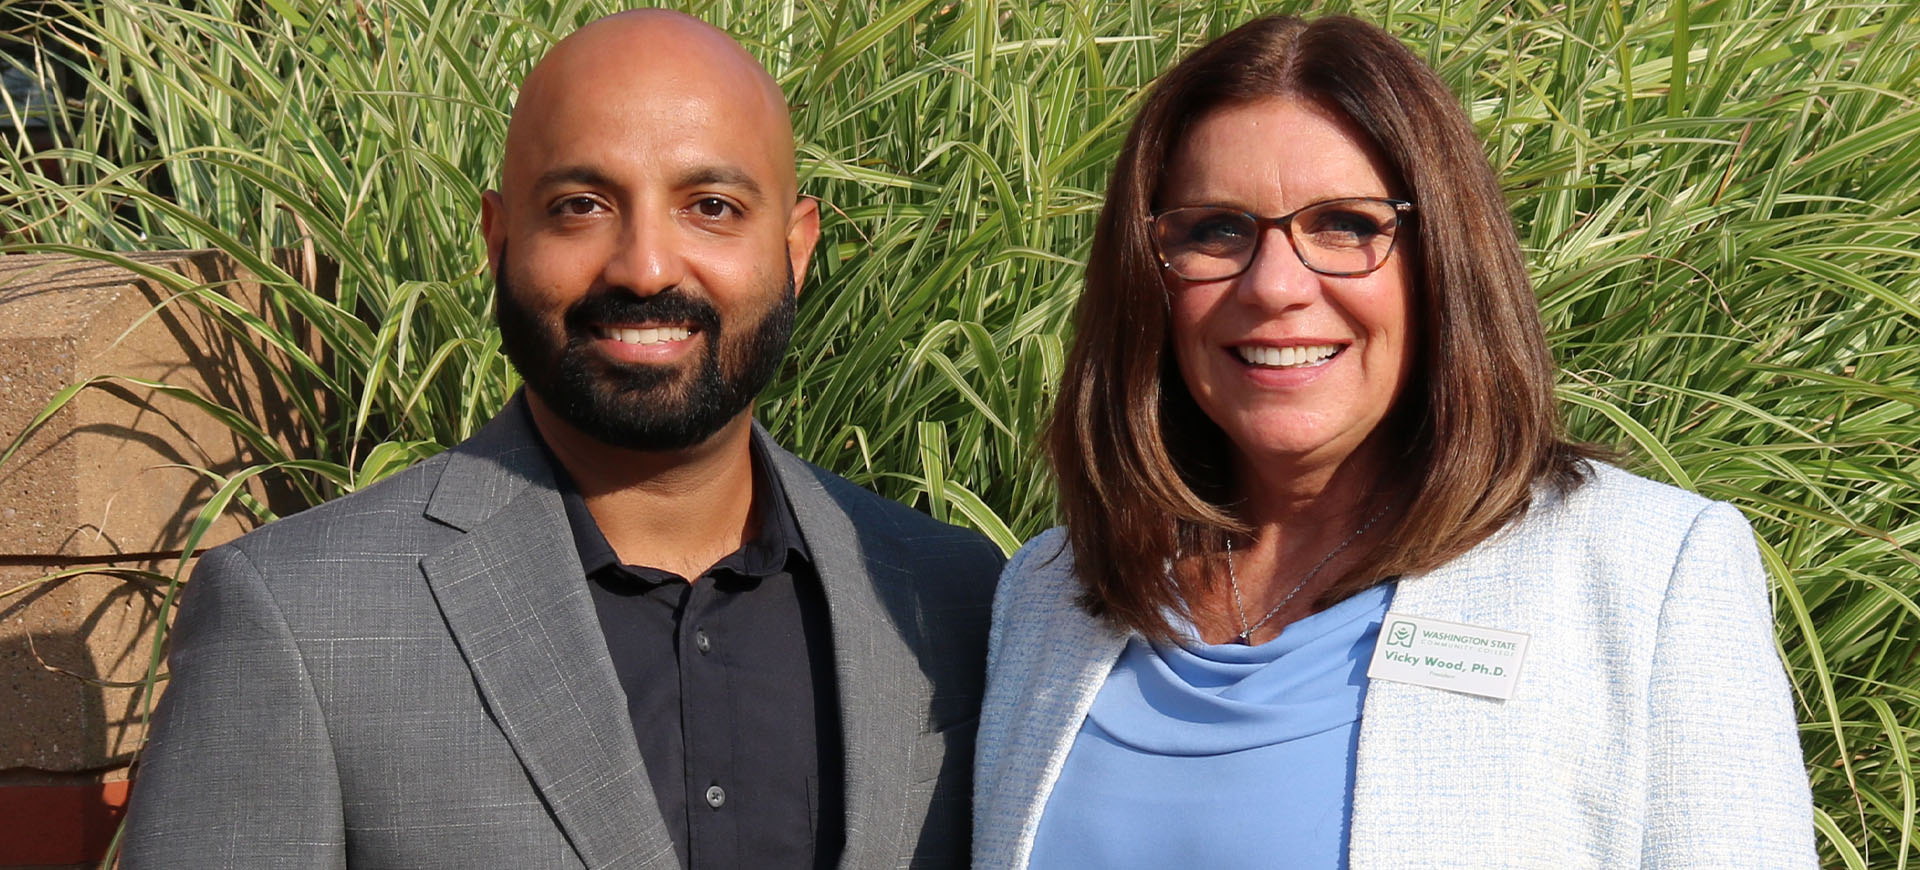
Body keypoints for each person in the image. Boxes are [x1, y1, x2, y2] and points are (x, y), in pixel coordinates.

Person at [121, 11, 1002, 869]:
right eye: (581, 205)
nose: (646, 266)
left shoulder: (955, 600)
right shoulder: (299, 619)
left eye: (712, 206)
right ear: (499, 240)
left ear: (795, 247)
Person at [973, 14, 1814, 869]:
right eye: (1215, 229)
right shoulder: (1048, 598)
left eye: (1344, 224)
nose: (1275, 286)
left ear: (1444, 257)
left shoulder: (1645, 574)